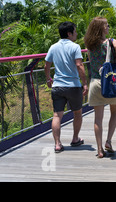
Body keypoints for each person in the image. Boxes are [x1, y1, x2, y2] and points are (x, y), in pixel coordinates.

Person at [84, 17, 116, 158]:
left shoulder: (89, 45)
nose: (108, 28)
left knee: (98, 119)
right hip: (111, 82)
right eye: (107, 26)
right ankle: (108, 141)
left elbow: (91, 62)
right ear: (101, 28)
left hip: (95, 82)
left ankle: (99, 149)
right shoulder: (112, 42)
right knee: (114, 113)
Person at [44, 21, 88, 153]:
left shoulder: (53, 47)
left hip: (57, 86)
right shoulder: (75, 47)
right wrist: (85, 82)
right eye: (74, 31)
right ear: (69, 33)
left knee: (57, 115)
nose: (76, 34)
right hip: (73, 86)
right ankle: (75, 139)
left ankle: (57, 144)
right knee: (77, 113)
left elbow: (46, 65)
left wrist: (48, 79)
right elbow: (79, 65)